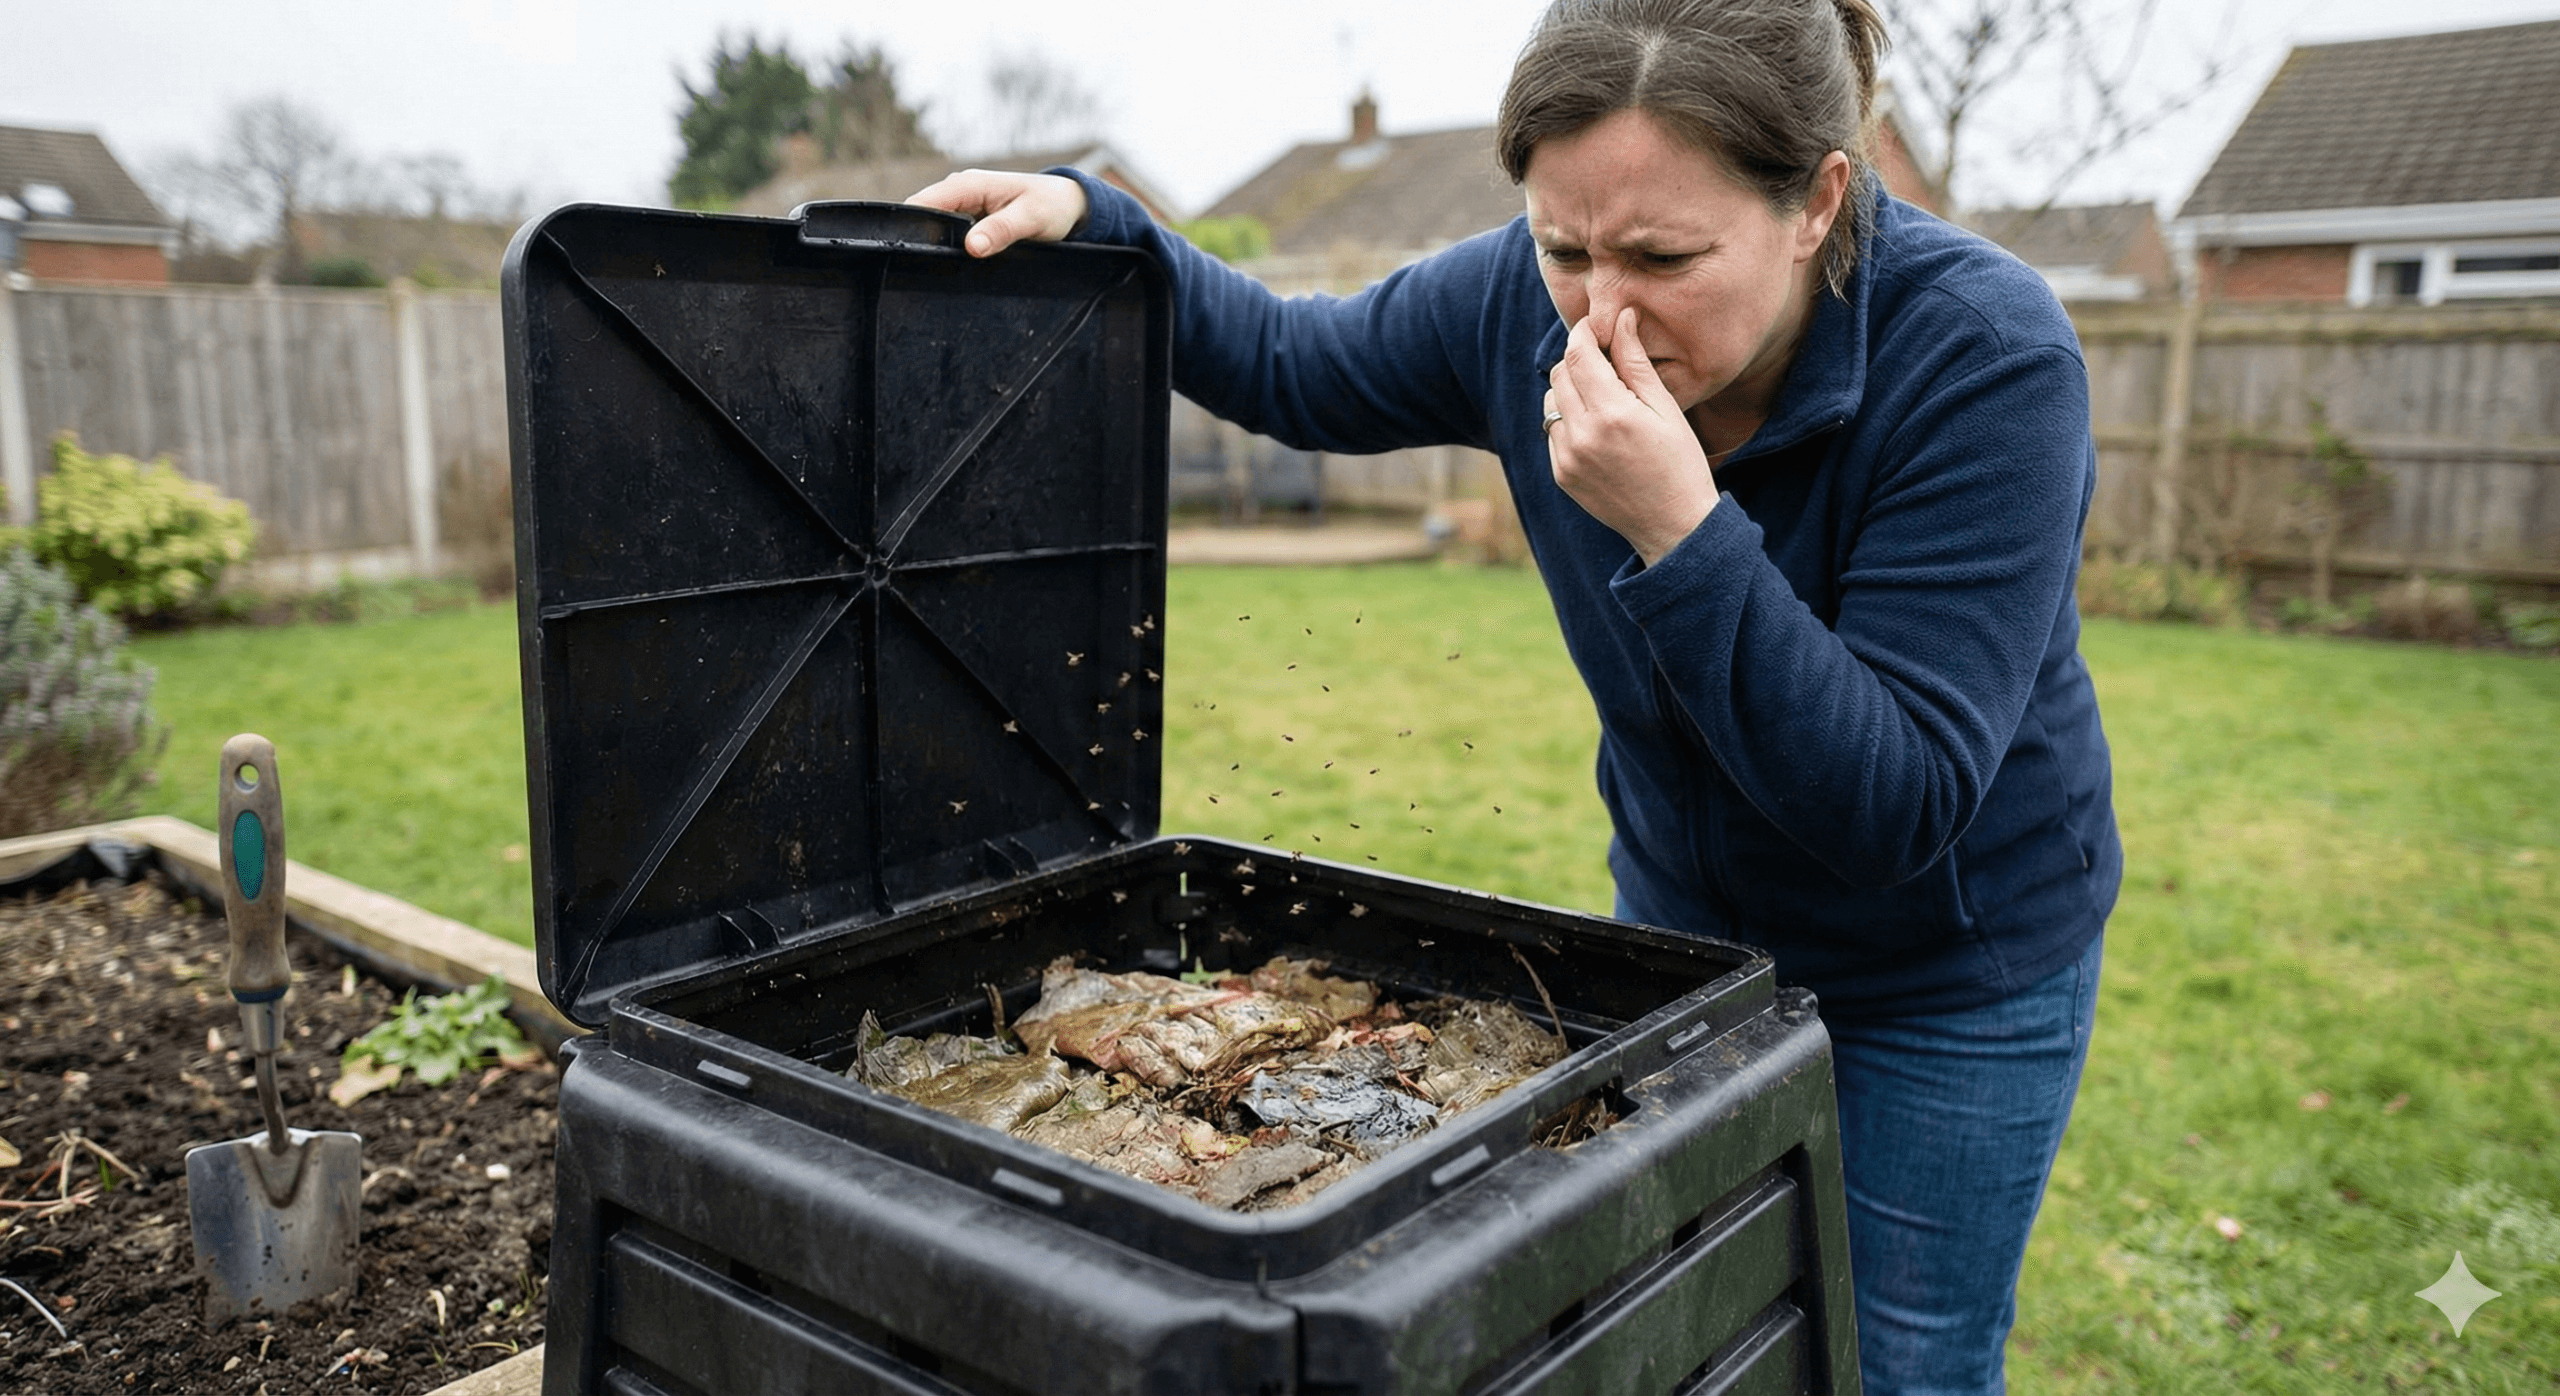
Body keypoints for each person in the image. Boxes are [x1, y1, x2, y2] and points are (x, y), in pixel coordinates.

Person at [917, 0, 2118, 1388]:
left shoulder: (1985, 356)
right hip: (1681, 945)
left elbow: (1895, 802)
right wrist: (1107, 225)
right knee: (1684, 1333)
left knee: (1896, 1365)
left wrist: (1683, 530)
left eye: (1665, 256)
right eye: (1564, 247)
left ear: (1817, 202)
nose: (1601, 309)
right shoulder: (1510, 300)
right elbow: (1296, 363)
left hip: (1946, 973)